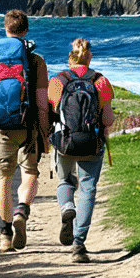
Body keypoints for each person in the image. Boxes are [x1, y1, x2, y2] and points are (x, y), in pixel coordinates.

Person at [0, 9, 51, 252]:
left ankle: (5, 232)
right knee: (30, 174)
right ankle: (21, 211)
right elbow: (43, 105)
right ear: (25, 30)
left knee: (3, 180)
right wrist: (44, 135)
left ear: (5, 28)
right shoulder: (36, 61)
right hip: (29, 127)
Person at [48, 38, 115, 263]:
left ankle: (67, 206)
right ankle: (78, 244)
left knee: (65, 181)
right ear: (90, 57)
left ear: (70, 57)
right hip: (91, 143)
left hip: (65, 143)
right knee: (88, 189)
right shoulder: (100, 81)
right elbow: (108, 119)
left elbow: (51, 113)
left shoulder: (57, 81)